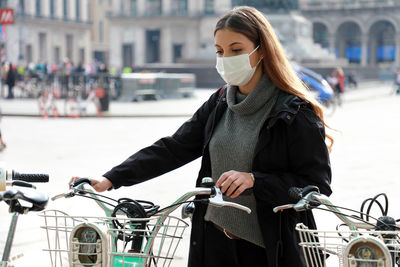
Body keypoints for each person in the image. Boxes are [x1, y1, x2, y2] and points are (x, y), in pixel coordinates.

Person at [69, 6, 332, 267]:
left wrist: (255, 180)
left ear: (261, 49)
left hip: (269, 248)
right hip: (213, 240)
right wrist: (110, 179)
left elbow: (316, 183)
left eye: (236, 50)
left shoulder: (294, 111)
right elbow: (174, 147)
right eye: (220, 51)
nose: (226, 58)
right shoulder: (220, 102)